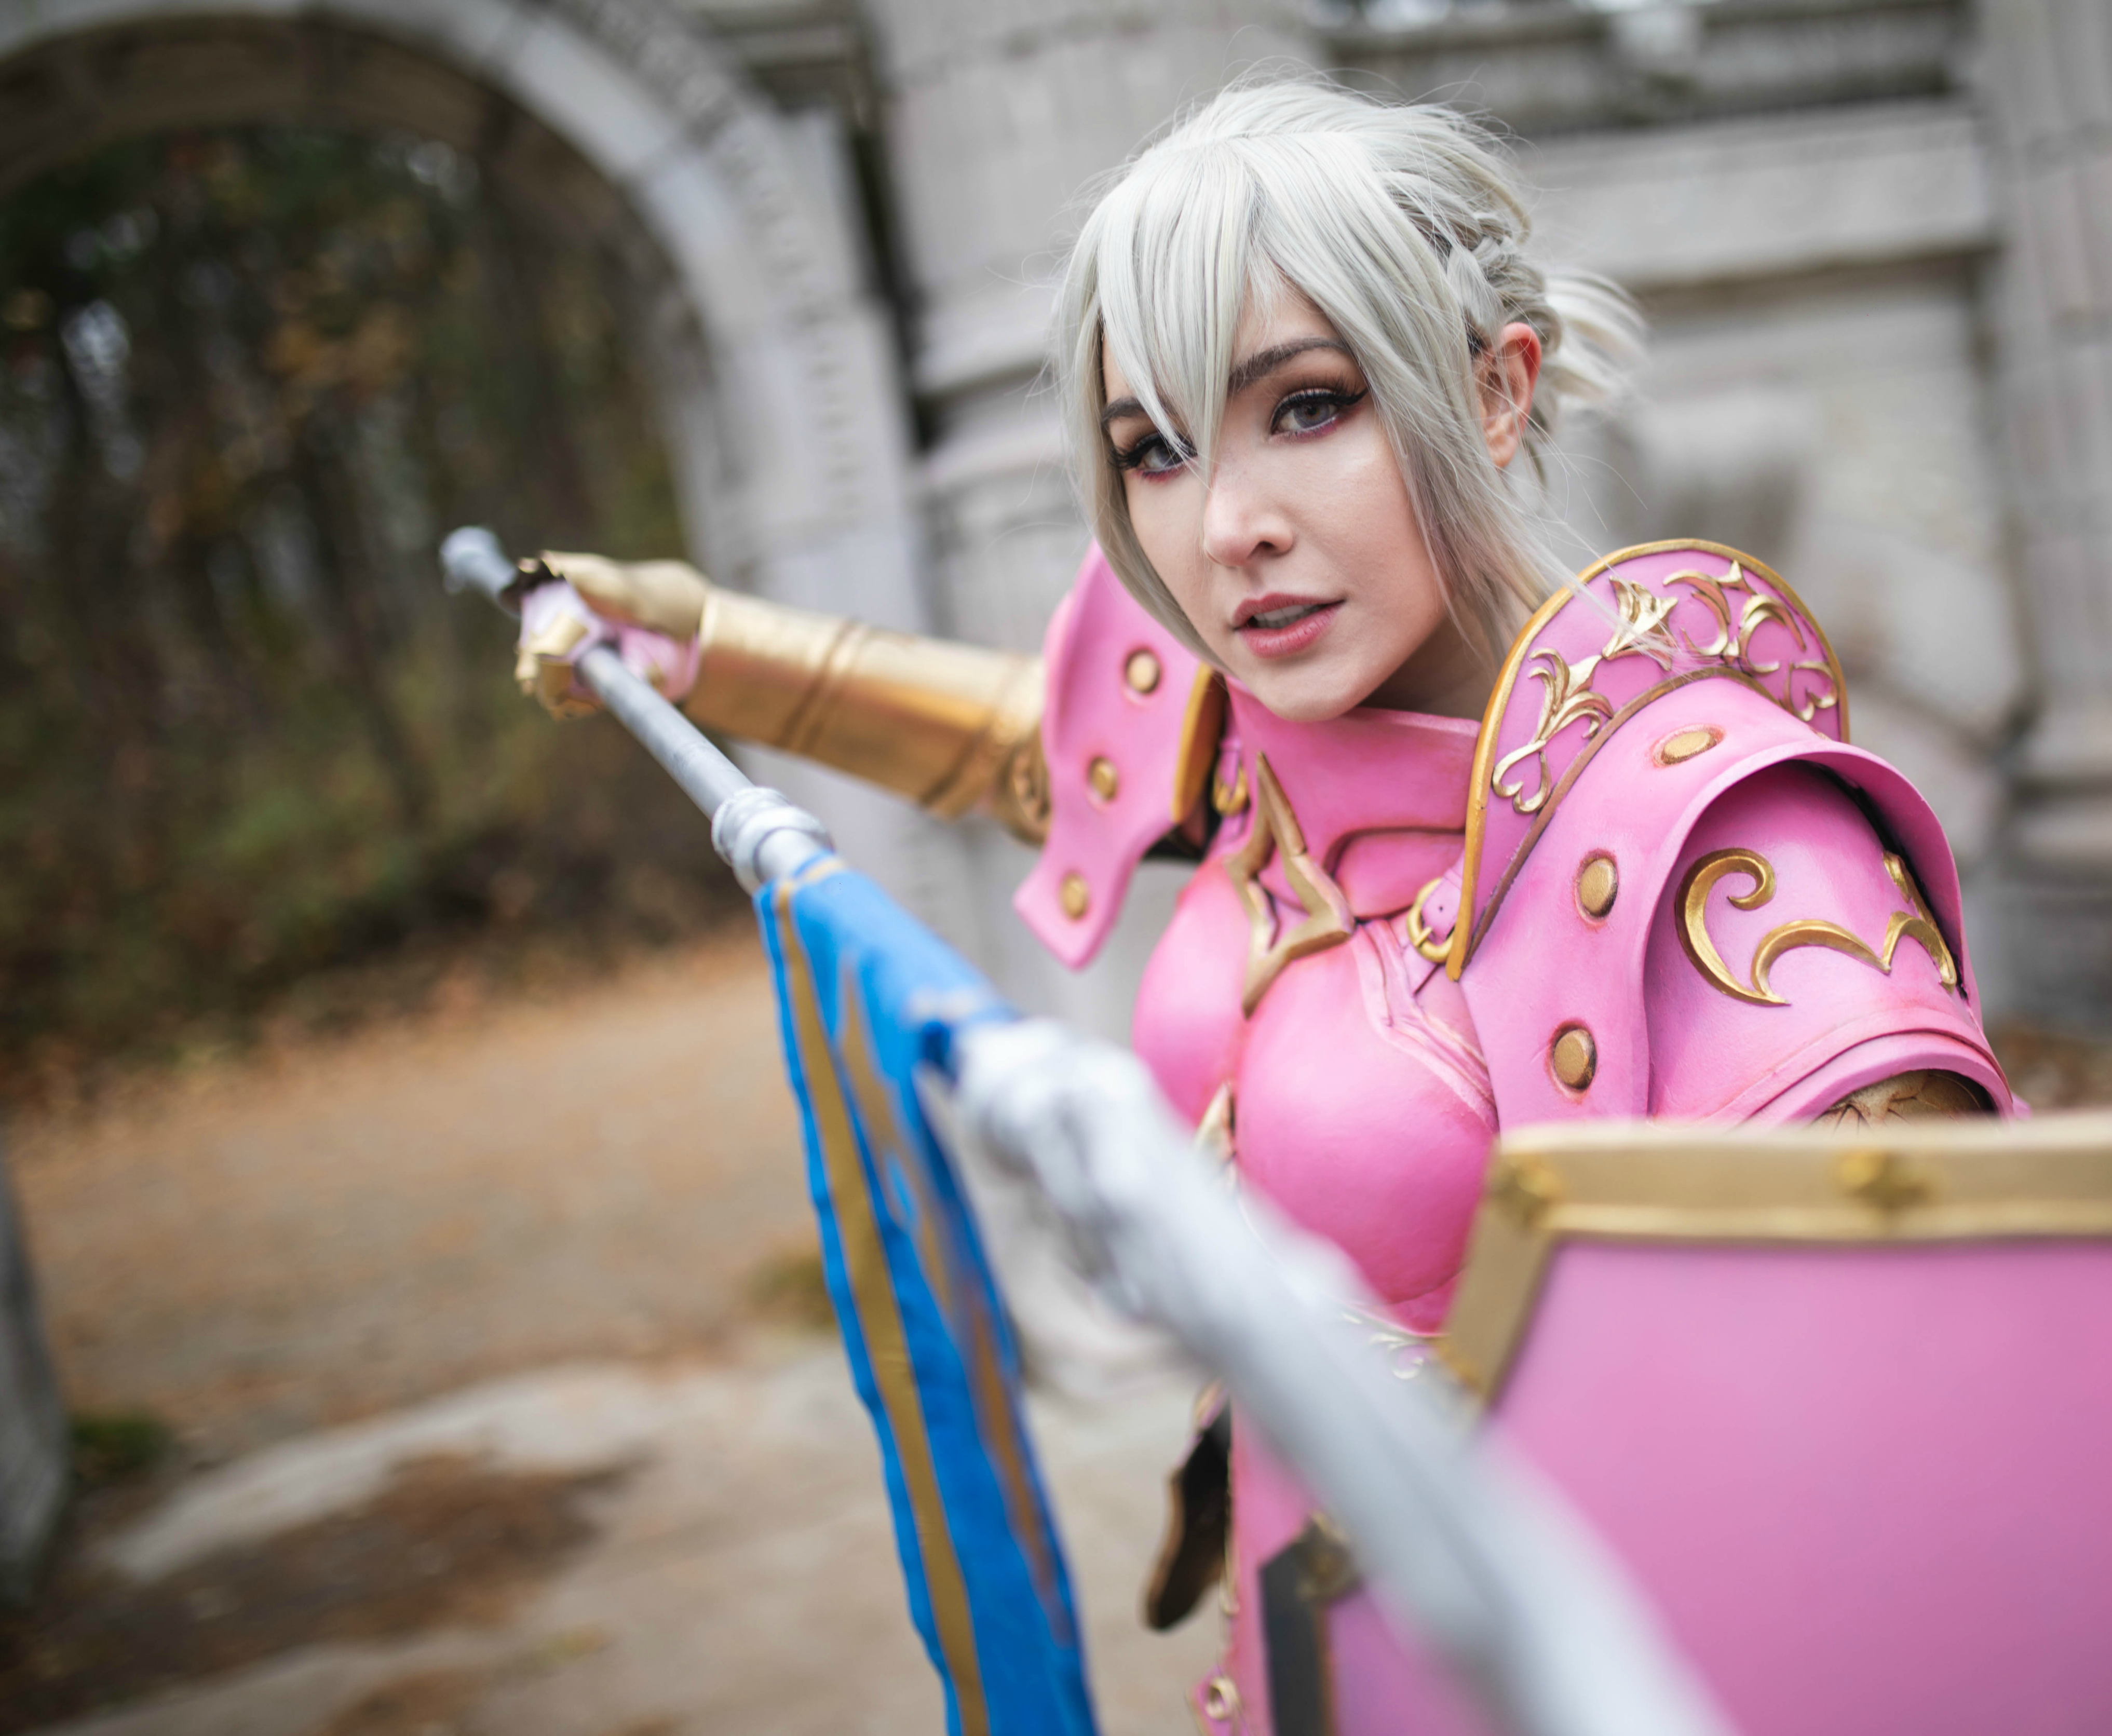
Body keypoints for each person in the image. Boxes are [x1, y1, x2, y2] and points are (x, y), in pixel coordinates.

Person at [513, 78, 2013, 1731]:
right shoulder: (1261, 730)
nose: (1227, 528)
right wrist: (700, 648)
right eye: (1154, 450)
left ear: (1494, 389)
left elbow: (1935, 1479)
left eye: (1307, 406)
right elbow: (1040, 749)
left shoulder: (1740, 853)